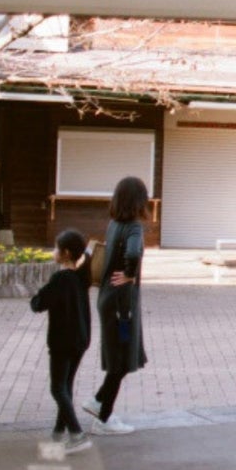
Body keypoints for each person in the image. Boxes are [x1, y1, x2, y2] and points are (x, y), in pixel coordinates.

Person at [83, 174, 149, 434]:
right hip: (123, 307)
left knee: (118, 355)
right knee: (121, 357)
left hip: (108, 299)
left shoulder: (113, 224)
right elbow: (132, 252)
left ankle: (99, 402)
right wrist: (131, 274)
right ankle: (102, 416)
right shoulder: (134, 227)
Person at [30, 228, 93, 454]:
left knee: (57, 388)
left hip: (62, 341)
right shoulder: (80, 277)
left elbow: (37, 304)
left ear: (65, 253)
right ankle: (58, 433)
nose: (53, 251)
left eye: (56, 248)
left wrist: (39, 293)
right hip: (81, 340)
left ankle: (76, 434)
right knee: (66, 385)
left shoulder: (60, 279)